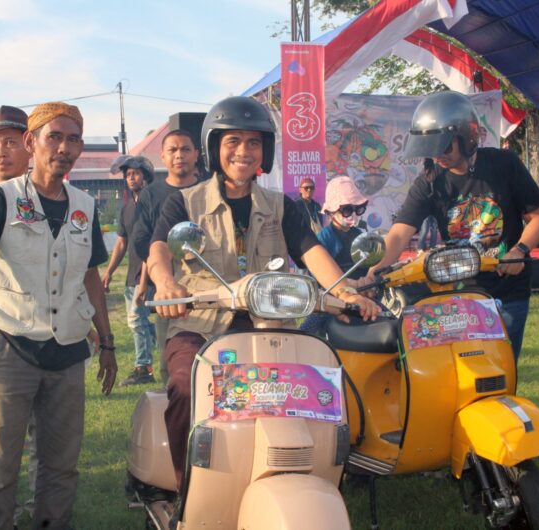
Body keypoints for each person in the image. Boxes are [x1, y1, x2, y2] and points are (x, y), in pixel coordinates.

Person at [147, 96, 380, 490]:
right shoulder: (184, 202)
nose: (243, 151)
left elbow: (311, 251)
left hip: (270, 327)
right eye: (233, 141)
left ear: (265, 151)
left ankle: (314, 474)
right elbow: (158, 250)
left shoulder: (279, 206)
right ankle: (187, 491)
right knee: (186, 386)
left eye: (253, 142)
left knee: (320, 386)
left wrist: (346, 292)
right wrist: (165, 282)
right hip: (200, 325)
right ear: (214, 148)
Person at [0, 102, 117, 530]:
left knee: (61, 468)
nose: (64, 147)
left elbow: (91, 275)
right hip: (9, 348)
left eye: (73, 139)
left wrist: (107, 340)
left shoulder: (85, 206)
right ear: (31, 142)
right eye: (54, 137)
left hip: (68, 351)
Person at [363, 90, 539, 363]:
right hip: (458, 293)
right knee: (461, 372)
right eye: (432, 148)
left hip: (508, 293)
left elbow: (538, 217)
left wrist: (519, 251)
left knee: (500, 370)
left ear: (467, 137)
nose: (439, 155)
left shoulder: (504, 164)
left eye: (445, 147)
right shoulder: (429, 181)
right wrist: (373, 272)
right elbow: (400, 232)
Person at [132, 129, 200, 384]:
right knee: (170, 359)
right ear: (162, 156)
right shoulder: (150, 194)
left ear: (196, 154)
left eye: (185, 149)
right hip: (167, 288)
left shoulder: (209, 191)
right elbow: (141, 240)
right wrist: (163, 270)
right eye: (172, 150)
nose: (179, 155)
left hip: (207, 283)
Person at [101, 155, 157, 385]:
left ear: (146, 176)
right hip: (132, 275)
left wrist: (144, 279)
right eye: (128, 175)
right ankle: (153, 349)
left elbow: (152, 244)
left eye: (135, 173)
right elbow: (121, 243)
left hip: (151, 274)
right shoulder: (126, 208)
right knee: (139, 322)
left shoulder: (152, 203)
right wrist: (109, 271)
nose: (131, 178)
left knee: (136, 320)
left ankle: (143, 368)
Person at [300, 175, 369, 336]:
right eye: (347, 210)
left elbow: (368, 266)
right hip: (331, 299)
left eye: (358, 209)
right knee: (304, 334)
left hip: (361, 295)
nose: (353, 215)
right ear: (331, 213)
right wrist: (348, 284)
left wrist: (368, 281)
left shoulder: (360, 235)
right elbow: (318, 275)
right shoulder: (324, 238)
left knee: (389, 321)